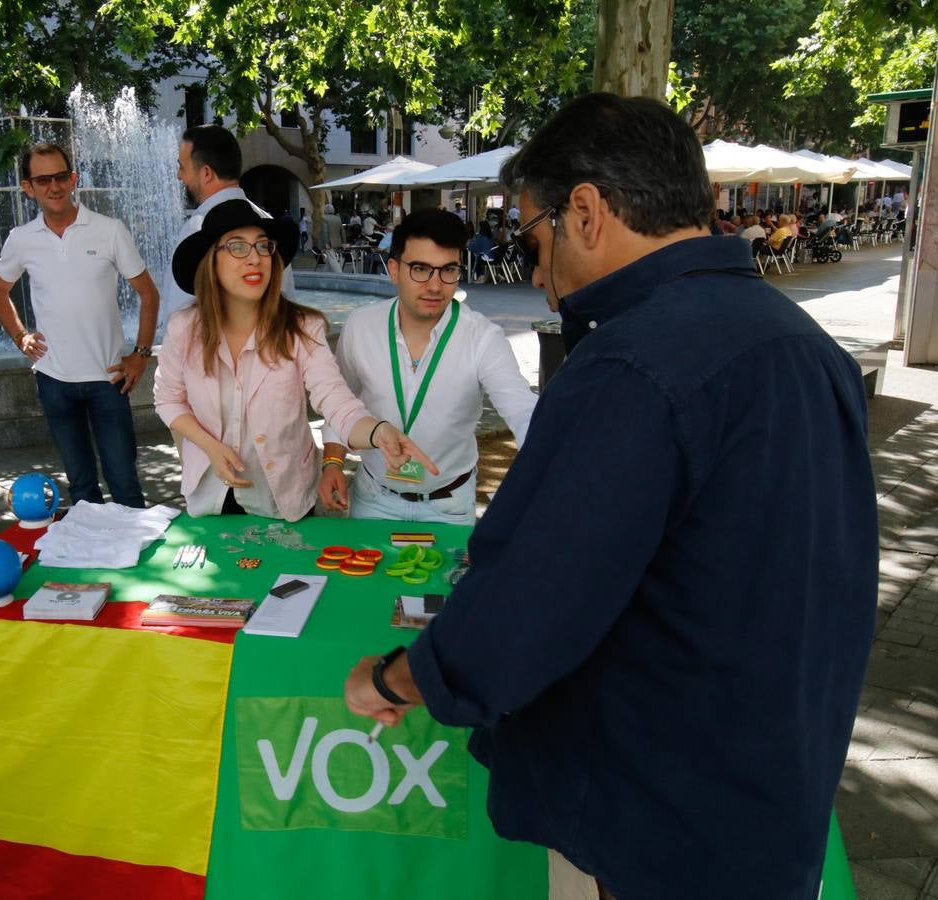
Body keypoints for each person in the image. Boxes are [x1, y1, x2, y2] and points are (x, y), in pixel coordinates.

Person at [343, 93, 877, 900]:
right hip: (771, 794)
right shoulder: (805, 343)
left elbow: (536, 599)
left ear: (585, 212)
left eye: (533, 235)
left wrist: (396, 679)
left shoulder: (630, 365)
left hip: (654, 817)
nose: (534, 269)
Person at [153, 200, 435, 521]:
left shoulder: (302, 327)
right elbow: (167, 399)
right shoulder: (185, 329)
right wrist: (210, 447)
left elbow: (337, 402)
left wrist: (378, 432)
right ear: (210, 262)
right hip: (210, 494)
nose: (256, 258)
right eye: (238, 247)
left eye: (263, 246)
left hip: (283, 496)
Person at [318, 209, 535, 525]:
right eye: (420, 269)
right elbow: (339, 401)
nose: (435, 285)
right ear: (394, 269)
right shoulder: (361, 326)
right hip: (375, 498)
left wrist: (552, 464)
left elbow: (521, 407)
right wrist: (333, 462)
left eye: (448, 270)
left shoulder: (483, 337)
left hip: (450, 505)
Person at [0, 143, 157, 510]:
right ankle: (92, 563)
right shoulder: (21, 239)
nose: (55, 186)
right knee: (81, 490)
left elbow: (148, 294)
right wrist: (21, 335)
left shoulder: (109, 230)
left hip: (108, 379)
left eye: (61, 176)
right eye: (43, 179)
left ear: (73, 179)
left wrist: (141, 355)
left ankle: (135, 564)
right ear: (27, 187)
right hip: (54, 381)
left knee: (125, 484)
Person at [162, 125, 295, 318]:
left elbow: (180, 315)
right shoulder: (268, 225)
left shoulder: (198, 229)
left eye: (182, 167)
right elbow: (285, 300)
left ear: (206, 173)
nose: (178, 176)